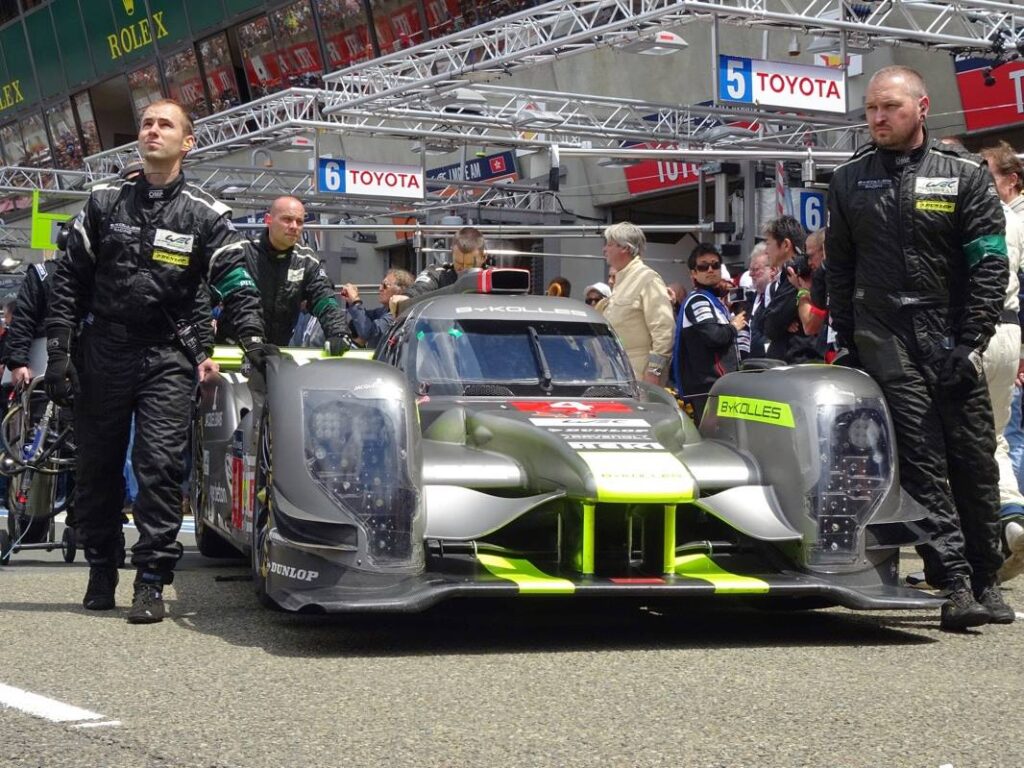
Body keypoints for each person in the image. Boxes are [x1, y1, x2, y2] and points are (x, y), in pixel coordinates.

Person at [46, 98, 269, 624]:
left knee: (160, 467)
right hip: (104, 350)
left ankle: (151, 579)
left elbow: (236, 280)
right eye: (146, 123)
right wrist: (58, 352)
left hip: (167, 354)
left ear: (187, 142)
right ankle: (102, 567)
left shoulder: (205, 213)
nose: (151, 130)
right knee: (96, 468)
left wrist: (255, 341)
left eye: (164, 124)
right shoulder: (104, 202)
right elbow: (68, 279)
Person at [826, 66, 1012, 630]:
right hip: (884, 333)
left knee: (975, 460)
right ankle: (953, 581)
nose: (878, 118)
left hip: (950, 334)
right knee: (923, 459)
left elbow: (990, 264)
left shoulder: (965, 175)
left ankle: (986, 580)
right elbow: (840, 269)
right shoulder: (849, 179)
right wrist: (848, 340)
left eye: (891, 107)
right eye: (871, 109)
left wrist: (972, 340)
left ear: (922, 107)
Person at [215, 195, 350, 354]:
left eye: (299, 222)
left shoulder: (307, 260)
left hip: (276, 352)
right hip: (231, 351)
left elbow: (323, 297)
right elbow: (205, 294)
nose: (294, 226)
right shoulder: (241, 251)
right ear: (268, 220)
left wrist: (338, 332)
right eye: (287, 219)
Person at [979, 141, 1024, 582]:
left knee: (954, 439)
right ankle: (1011, 514)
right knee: (995, 437)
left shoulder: (982, 214)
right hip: (1009, 332)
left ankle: (961, 549)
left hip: (977, 332)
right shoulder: (1011, 217)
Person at [671, 243, 746, 423]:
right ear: (694, 273)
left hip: (717, 387)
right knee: (715, 437)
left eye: (715, 265)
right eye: (703, 267)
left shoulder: (712, 301)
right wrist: (733, 327)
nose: (710, 270)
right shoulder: (699, 300)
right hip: (708, 389)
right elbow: (714, 336)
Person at [598, 222, 675, 385]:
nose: (604, 249)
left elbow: (664, 329)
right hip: (618, 374)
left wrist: (654, 371)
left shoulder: (647, 279)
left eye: (609, 244)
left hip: (639, 377)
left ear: (625, 248)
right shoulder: (623, 280)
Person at [762, 216, 819, 364]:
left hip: (797, 364)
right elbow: (765, 321)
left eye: (768, 244)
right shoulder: (788, 275)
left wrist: (778, 322)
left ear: (786, 244)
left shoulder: (798, 273)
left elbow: (771, 325)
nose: (766, 251)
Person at [395, 226, 489, 309]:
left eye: (470, 265)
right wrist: (407, 297)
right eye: (459, 263)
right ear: (452, 254)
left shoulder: (494, 277)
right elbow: (420, 288)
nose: (464, 269)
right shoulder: (438, 275)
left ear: (484, 257)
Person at [342, 268, 414, 348]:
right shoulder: (384, 310)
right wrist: (351, 301)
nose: (380, 289)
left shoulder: (398, 313)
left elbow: (368, 332)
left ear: (400, 290)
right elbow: (358, 321)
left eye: (385, 285)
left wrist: (355, 302)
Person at [746, 243, 775, 358]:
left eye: (755, 269)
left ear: (772, 269)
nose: (750, 274)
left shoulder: (778, 299)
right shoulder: (748, 300)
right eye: (750, 269)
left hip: (769, 362)